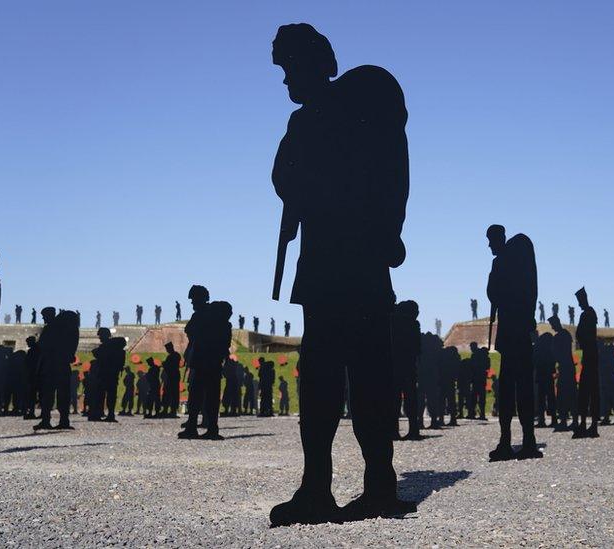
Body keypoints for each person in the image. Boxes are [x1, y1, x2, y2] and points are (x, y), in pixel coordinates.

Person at [268, 23, 414, 527]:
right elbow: (283, 177)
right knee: (328, 380)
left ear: (316, 63)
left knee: (362, 374)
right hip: (334, 263)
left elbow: (393, 172)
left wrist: (389, 229)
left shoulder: (353, 109)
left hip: (351, 262)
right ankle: (324, 485)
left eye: (290, 69)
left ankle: (373, 484)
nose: (287, 82)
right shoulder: (304, 122)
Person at [483, 225, 539, 460]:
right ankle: (528, 440)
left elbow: (493, 292)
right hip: (520, 330)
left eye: (490, 240)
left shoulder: (502, 262)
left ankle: (507, 440)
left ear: (499, 238)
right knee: (522, 386)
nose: (489, 245)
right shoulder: (518, 259)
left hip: (510, 332)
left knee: (509, 388)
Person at [178, 285, 231, 440]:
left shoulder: (200, 316)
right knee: (212, 396)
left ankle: (192, 427)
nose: (193, 303)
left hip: (201, 360)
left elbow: (189, 330)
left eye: (194, 300)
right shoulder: (219, 317)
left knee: (195, 396)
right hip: (214, 361)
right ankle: (212, 429)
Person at [33, 308, 79, 431]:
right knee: (63, 393)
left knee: (48, 394)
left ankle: (46, 420)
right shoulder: (68, 328)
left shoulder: (50, 329)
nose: (43, 319)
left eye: (44, 316)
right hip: (63, 364)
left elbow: (42, 346)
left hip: (50, 364)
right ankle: (64, 420)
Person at [391, 300, 421, 440]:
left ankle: (394, 430)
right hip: (408, 366)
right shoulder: (414, 325)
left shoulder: (394, 323)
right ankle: (413, 429)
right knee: (410, 400)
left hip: (395, 366)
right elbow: (417, 348)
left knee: (394, 400)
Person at [573, 288, 600, 439]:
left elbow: (581, 333)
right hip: (590, 355)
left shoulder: (587, 314)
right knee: (588, 391)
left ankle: (587, 425)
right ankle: (587, 424)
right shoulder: (589, 313)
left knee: (587, 391)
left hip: (590, 355)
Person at [550, 315, 578, 431]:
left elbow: (557, 353)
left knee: (563, 394)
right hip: (568, 368)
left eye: (552, 325)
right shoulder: (566, 334)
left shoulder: (560, 336)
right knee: (569, 394)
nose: (552, 327)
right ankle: (573, 420)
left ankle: (564, 421)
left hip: (565, 368)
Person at [92, 328, 126, 422]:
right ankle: (110, 414)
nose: (100, 338)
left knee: (101, 394)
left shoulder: (106, 347)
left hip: (104, 373)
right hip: (113, 374)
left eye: (100, 336)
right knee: (111, 394)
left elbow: (97, 354)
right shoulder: (116, 347)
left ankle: (100, 413)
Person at [533, 331, 556, 428]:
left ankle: (542, 419)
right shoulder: (546, 344)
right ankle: (553, 418)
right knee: (550, 396)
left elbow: (534, 359)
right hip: (547, 373)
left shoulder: (537, 346)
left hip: (542, 373)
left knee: (542, 397)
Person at [468, 342, 489, 420]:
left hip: (476, 378)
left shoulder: (475, 356)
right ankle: (482, 414)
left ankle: (473, 413)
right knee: (481, 397)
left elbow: (472, 367)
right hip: (482, 378)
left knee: (474, 397)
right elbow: (487, 366)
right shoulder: (484, 355)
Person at [161, 342, 181, 418]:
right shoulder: (176, 355)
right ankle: (170, 410)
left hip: (172, 376)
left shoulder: (172, 356)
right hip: (174, 376)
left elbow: (170, 366)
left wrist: (164, 364)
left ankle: (170, 410)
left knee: (170, 393)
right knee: (171, 393)